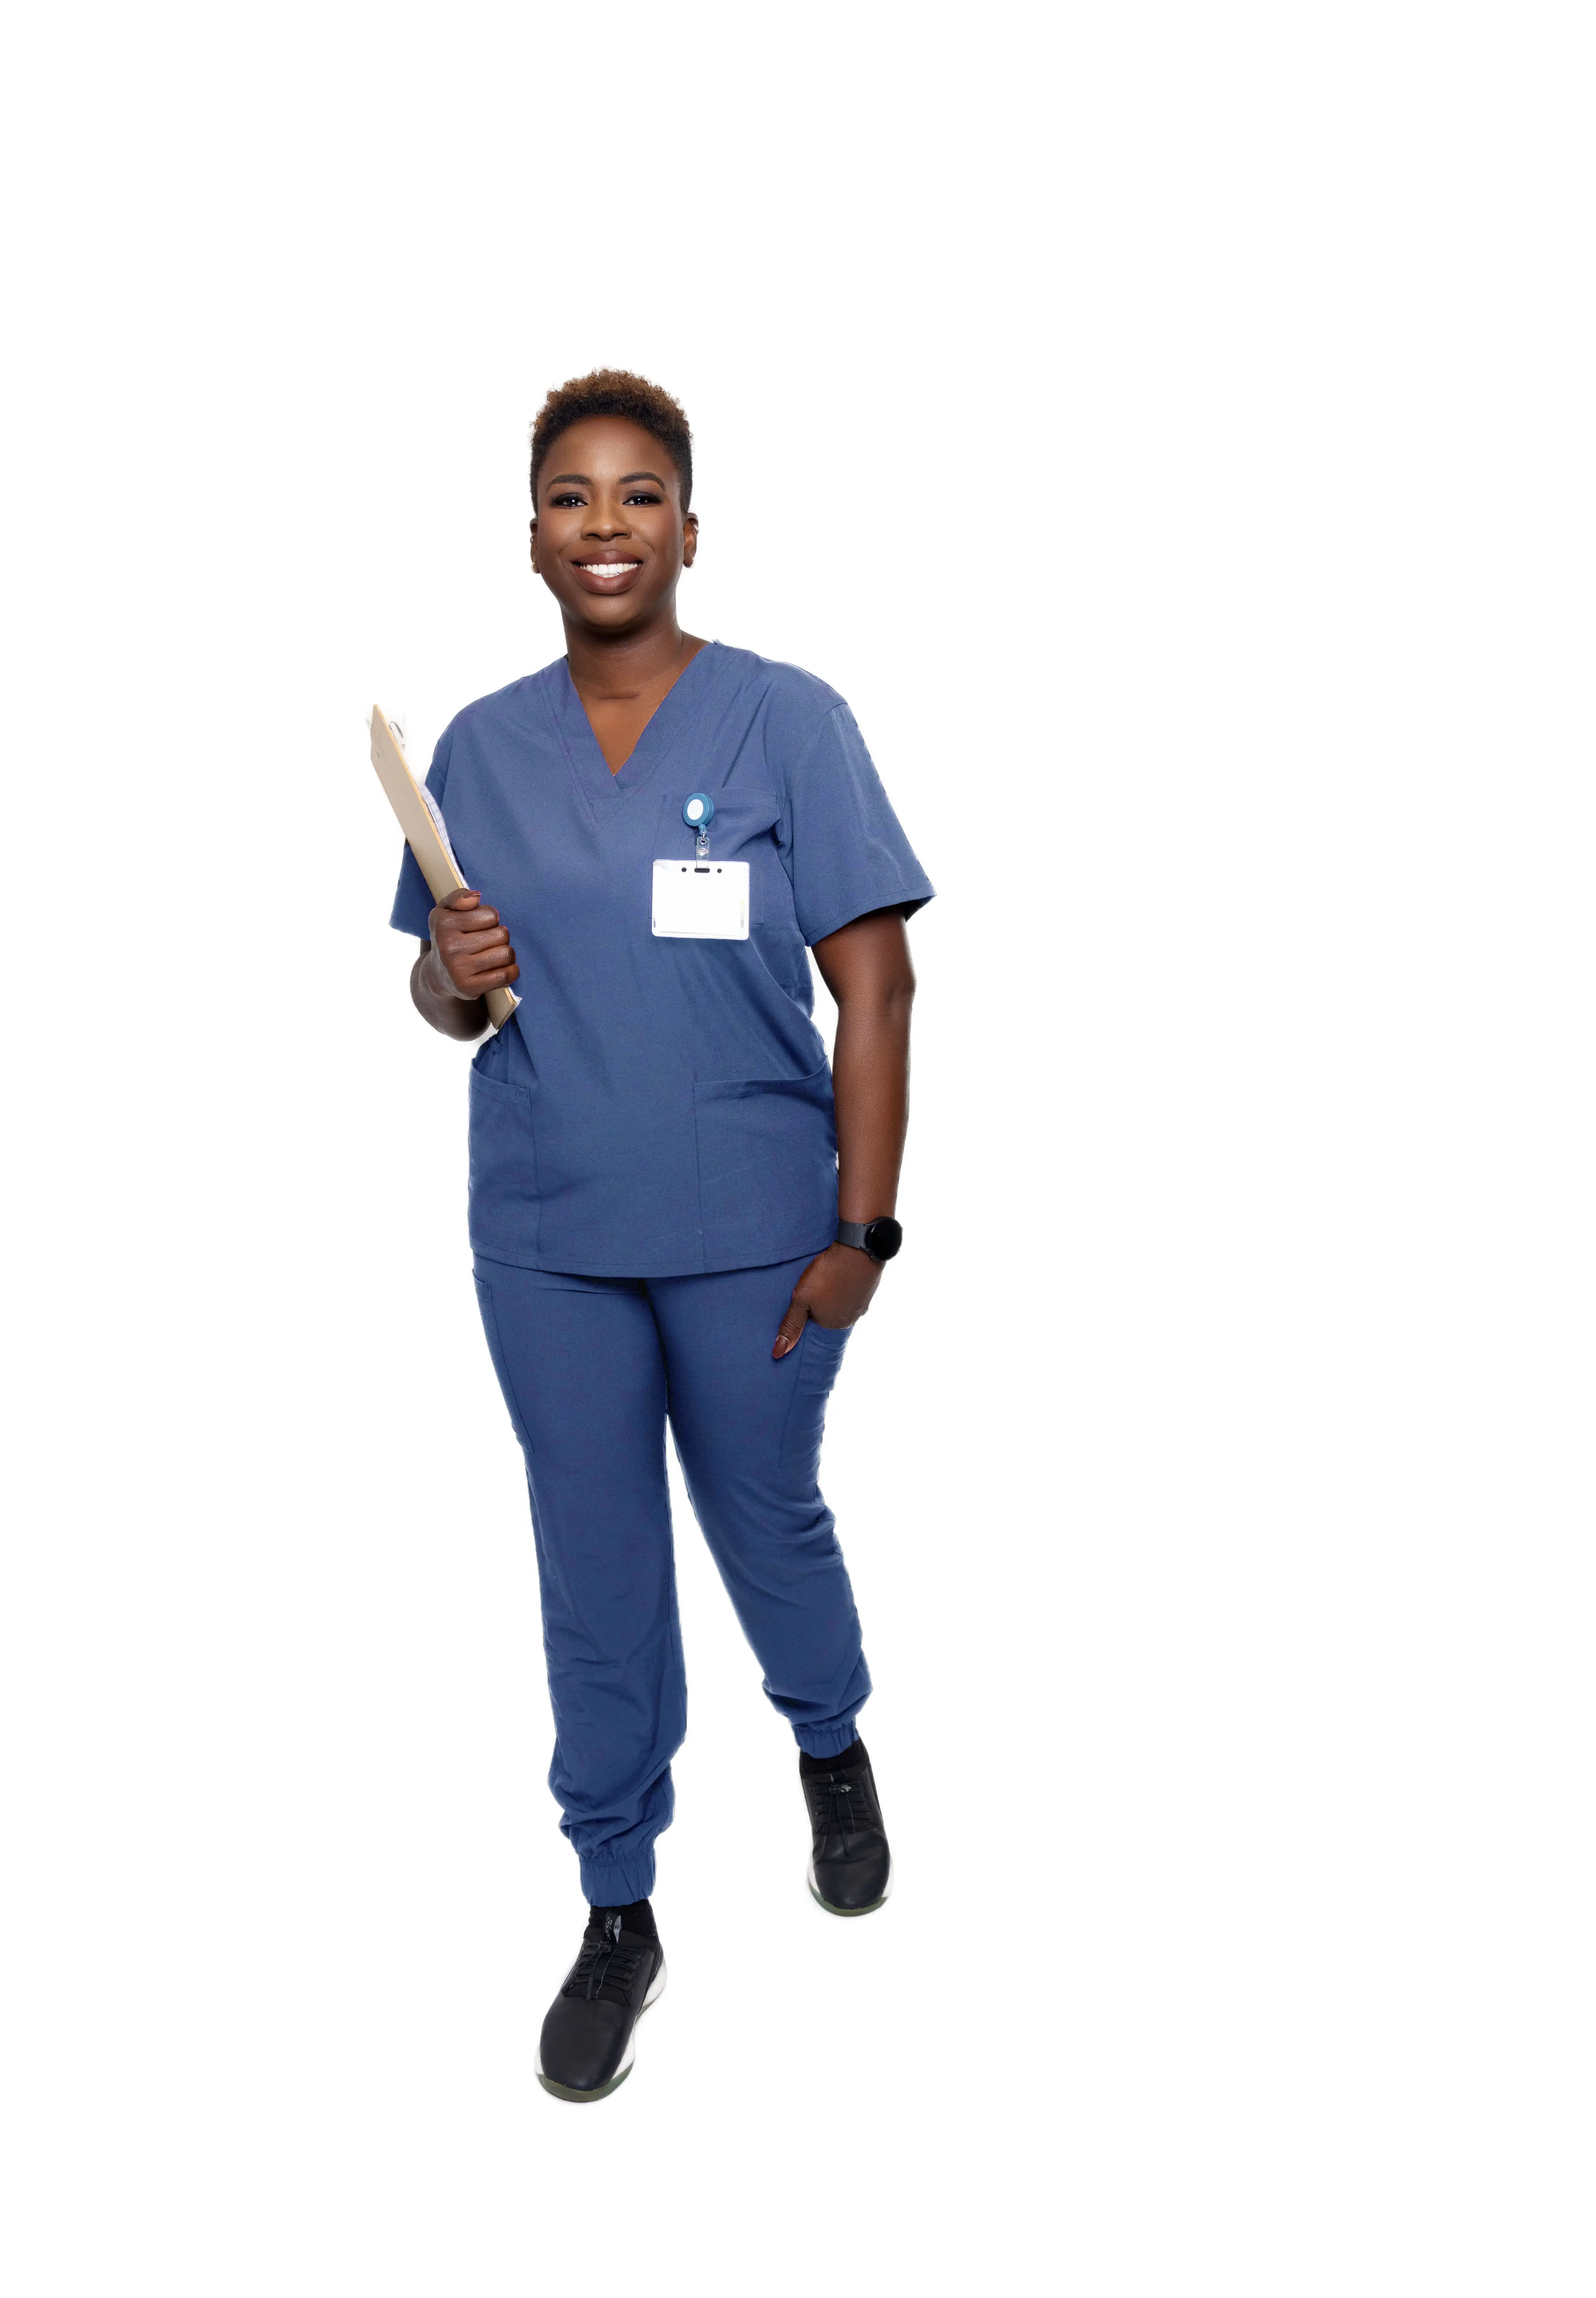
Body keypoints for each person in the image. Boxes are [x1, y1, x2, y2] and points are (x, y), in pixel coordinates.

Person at [390, 370, 932, 2102]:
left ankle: (828, 1737)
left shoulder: (787, 722)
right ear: (531, 538)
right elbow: (447, 1001)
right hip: (549, 1233)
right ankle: (616, 1901)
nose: (605, 524)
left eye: (638, 495)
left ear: (690, 530)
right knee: (597, 1569)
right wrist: (448, 975)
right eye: (571, 497)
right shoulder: (479, 748)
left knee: (765, 1518)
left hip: (757, 1228)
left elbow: (876, 987)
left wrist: (863, 1230)